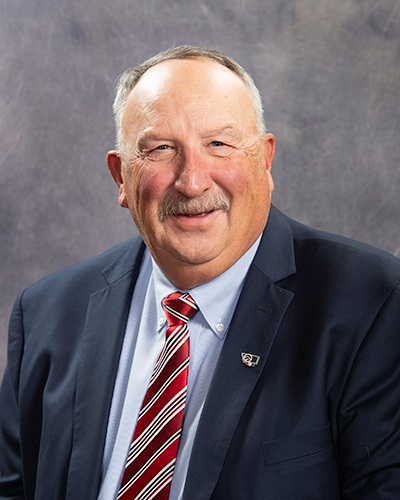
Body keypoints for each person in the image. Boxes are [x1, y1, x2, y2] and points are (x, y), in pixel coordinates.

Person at [0, 46, 399, 500]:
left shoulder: (374, 304)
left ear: (265, 162)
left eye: (219, 145)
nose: (192, 181)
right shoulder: (46, 315)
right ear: (121, 178)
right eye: (161, 149)